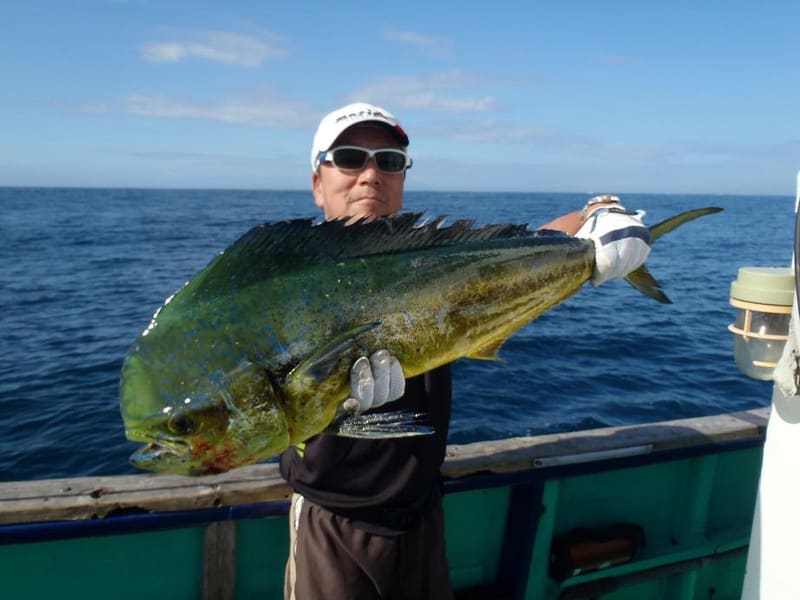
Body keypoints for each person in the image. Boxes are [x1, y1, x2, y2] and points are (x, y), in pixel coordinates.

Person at [280, 102, 651, 600]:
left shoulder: (429, 263)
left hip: (423, 513)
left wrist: (596, 214)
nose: (371, 175)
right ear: (317, 183)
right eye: (350, 158)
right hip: (334, 522)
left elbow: (526, 248)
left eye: (389, 162)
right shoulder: (292, 289)